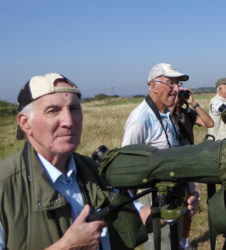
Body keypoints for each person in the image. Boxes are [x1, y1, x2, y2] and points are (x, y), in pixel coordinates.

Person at [0, 73, 199, 249]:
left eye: (74, 109)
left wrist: (168, 211)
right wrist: (67, 247)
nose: (69, 121)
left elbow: (132, 217)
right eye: (53, 110)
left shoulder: (93, 170)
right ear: (25, 123)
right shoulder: (6, 187)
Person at [121, 63, 198, 249]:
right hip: (154, 200)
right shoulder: (140, 119)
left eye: (178, 84)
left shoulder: (166, 115)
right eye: (170, 83)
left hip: (173, 196)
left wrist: (190, 189)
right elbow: (125, 169)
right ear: (152, 85)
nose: (177, 89)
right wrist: (131, 212)